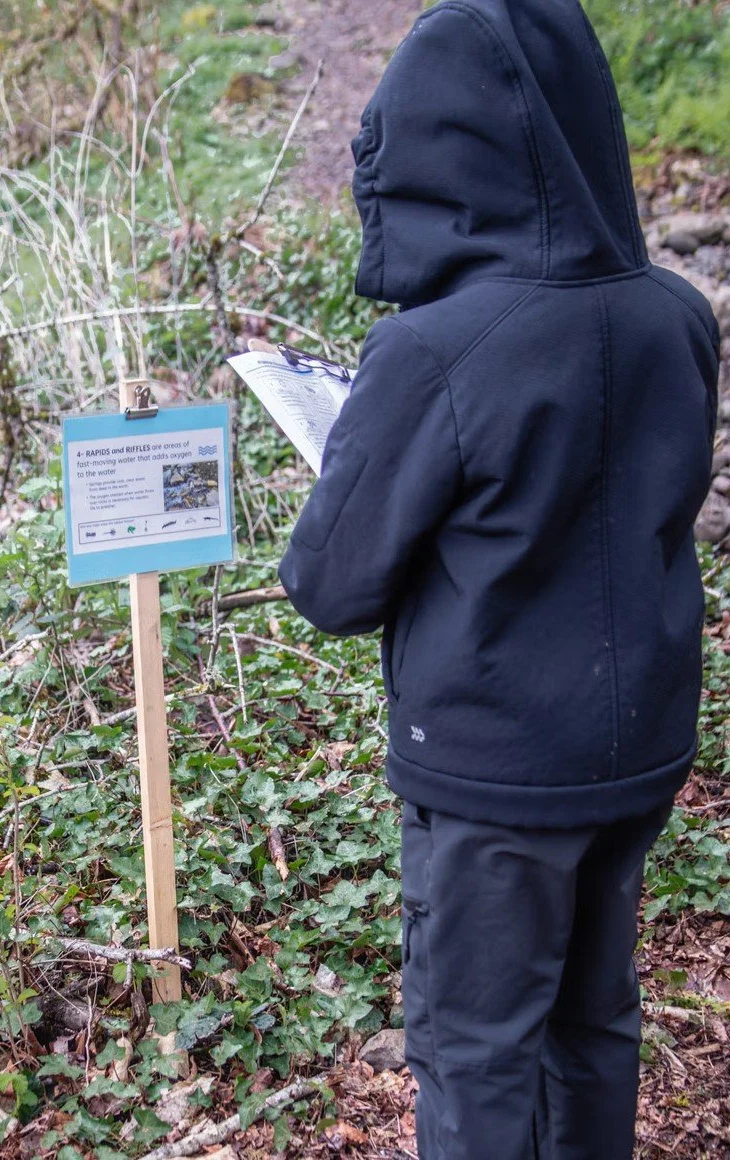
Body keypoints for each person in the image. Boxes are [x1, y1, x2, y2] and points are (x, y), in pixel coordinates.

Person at [277, 1, 721, 1157]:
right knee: (594, 1019)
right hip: (636, 749)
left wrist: (362, 458)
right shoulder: (679, 316)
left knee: (476, 1050)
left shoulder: (433, 352)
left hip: (494, 776)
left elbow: (331, 582)